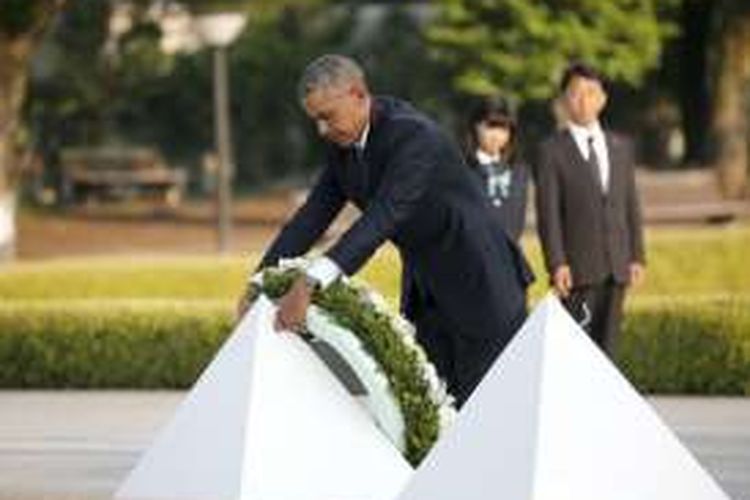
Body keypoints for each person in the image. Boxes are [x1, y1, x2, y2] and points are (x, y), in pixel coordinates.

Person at [241, 54, 533, 407]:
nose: (322, 130)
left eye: (326, 117)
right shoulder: (343, 150)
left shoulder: (414, 137)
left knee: (484, 416)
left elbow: (382, 217)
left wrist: (310, 282)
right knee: (435, 414)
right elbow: (309, 220)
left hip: (484, 287)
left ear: (358, 94)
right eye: (315, 121)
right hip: (428, 294)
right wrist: (259, 281)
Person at [533, 62, 646, 355]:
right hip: (578, 269)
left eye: (591, 93)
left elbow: (630, 203)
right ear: (564, 101)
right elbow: (549, 214)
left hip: (617, 265)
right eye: (575, 94)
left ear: (603, 98)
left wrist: (637, 255)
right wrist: (557, 263)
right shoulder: (551, 150)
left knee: (609, 349)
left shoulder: (621, 146)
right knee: (579, 351)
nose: (584, 101)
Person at [465, 96, 528, 243]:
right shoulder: (463, 170)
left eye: (503, 128)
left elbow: (517, 221)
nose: (496, 135)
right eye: (491, 126)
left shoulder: (519, 172)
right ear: (476, 126)